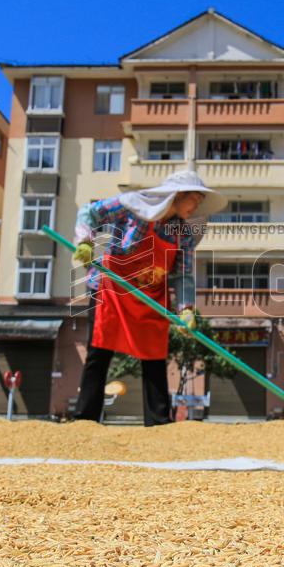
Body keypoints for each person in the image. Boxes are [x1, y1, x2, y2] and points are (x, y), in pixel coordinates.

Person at [71, 170, 227, 426]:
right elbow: (90, 212)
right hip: (113, 287)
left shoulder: (183, 234)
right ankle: (85, 418)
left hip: (151, 295)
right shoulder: (133, 206)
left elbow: (183, 275)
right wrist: (85, 241)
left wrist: (186, 308)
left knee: (154, 356)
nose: (197, 206)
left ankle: (158, 423)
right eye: (195, 199)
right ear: (178, 195)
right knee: (99, 351)